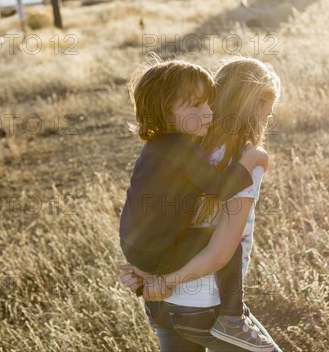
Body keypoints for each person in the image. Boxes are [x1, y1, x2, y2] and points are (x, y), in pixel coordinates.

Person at [120, 57, 282, 351]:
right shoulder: (241, 159)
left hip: (159, 304)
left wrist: (146, 274)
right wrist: (166, 281)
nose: (265, 123)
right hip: (204, 304)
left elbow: (146, 216)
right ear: (253, 109)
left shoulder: (174, 146)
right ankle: (233, 320)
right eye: (266, 116)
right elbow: (220, 252)